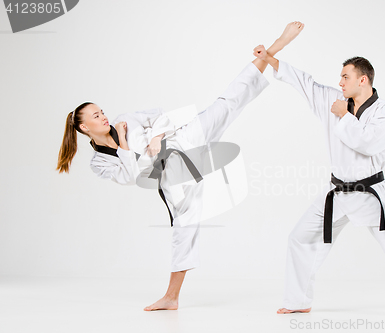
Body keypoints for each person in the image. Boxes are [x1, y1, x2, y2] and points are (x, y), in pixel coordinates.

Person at [55, 22, 305, 311]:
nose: (104, 117)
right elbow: (130, 177)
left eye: (102, 111)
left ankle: (273, 49)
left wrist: (157, 136)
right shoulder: (99, 161)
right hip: (172, 176)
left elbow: (158, 116)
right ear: (85, 128)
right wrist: (123, 139)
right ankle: (171, 298)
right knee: (184, 228)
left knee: (227, 104)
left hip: (183, 138)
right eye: (97, 116)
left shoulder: (125, 117)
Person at [253, 22, 385, 320]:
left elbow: (369, 144)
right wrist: (272, 55)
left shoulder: (383, 111)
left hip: (370, 194)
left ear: (363, 80)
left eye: (345, 76)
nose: (340, 81)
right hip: (337, 192)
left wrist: (344, 116)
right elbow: (304, 82)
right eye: (340, 77)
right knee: (300, 237)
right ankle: (298, 300)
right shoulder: (334, 101)